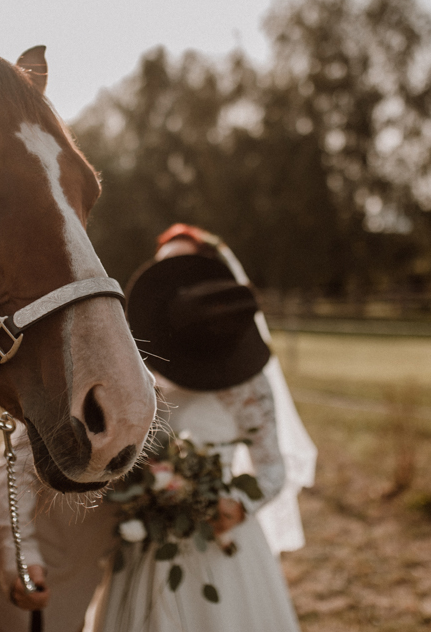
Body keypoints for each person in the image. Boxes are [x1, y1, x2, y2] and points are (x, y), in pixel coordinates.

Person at [90, 223, 316, 632]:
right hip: (147, 540)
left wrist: (239, 506)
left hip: (221, 543)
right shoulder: (139, 368)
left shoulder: (247, 381)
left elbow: (272, 469)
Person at [0, 422, 118, 632]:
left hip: (83, 572)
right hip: (26, 553)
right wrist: (20, 560)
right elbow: (14, 470)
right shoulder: (90, 392)